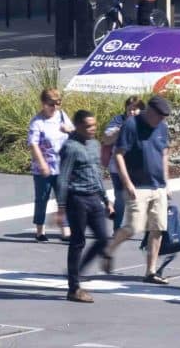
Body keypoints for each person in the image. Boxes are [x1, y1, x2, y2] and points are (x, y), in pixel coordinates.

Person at [102, 94, 172, 285]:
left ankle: (151, 271)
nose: (161, 120)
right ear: (150, 111)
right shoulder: (131, 125)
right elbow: (119, 155)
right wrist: (127, 183)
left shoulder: (162, 127)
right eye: (159, 116)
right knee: (133, 227)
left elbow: (164, 153)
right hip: (137, 185)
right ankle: (109, 250)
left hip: (158, 185)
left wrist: (166, 183)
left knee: (157, 228)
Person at [56, 109, 113, 303]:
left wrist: (106, 200)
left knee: (103, 238)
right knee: (78, 241)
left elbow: (97, 175)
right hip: (76, 199)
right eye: (88, 126)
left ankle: (78, 271)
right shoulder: (70, 147)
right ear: (78, 126)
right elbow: (63, 177)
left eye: (94, 125)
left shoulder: (94, 145)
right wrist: (61, 207)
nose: (92, 129)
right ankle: (74, 288)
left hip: (94, 198)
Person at [28, 87, 74, 242]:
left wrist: (69, 130)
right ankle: (40, 230)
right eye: (51, 104)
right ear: (43, 104)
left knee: (63, 197)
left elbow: (74, 133)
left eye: (57, 103)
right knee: (42, 198)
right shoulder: (37, 122)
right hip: (44, 167)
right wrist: (42, 163)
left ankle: (65, 229)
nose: (54, 107)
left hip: (62, 165)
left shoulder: (61, 116)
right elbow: (33, 144)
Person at [101, 96, 144, 231]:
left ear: (141, 110)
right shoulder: (118, 121)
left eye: (135, 109)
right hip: (117, 168)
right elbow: (106, 139)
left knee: (141, 199)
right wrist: (122, 129)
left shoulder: (145, 123)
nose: (131, 112)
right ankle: (117, 228)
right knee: (120, 198)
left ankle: (147, 231)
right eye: (129, 109)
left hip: (138, 168)